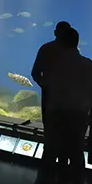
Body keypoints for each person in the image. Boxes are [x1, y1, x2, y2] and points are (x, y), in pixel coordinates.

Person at [19, 27, 92, 184]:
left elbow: (42, 80)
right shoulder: (87, 64)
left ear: (62, 41)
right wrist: (88, 104)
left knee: (50, 153)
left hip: (56, 113)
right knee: (76, 156)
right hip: (79, 115)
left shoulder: (57, 64)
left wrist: (49, 91)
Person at [31, 21, 73, 167]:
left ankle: (46, 171)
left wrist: (47, 86)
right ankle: (63, 169)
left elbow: (35, 73)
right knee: (66, 134)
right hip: (69, 100)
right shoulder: (73, 53)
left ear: (55, 33)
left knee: (49, 133)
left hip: (49, 98)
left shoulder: (46, 48)